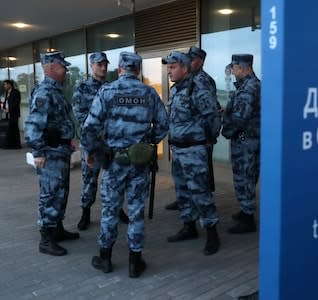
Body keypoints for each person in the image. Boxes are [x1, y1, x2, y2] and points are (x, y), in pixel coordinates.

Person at [82, 52, 168, 278]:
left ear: (120, 69)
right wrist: (148, 143)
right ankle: (134, 263)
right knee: (136, 212)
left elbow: (89, 127)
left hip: (114, 162)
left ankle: (105, 259)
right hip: (139, 164)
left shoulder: (107, 91)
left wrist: (93, 152)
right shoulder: (148, 93)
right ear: (137, 70)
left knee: (110, 210)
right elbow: (163, 124)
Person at [163, 51, 221, 255]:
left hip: (194, 150)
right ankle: (189, 227)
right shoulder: (176, 90)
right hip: (178, 149)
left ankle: (212, 232)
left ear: (185, 68)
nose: (169, 71)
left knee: (200, 192)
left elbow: (213, 117)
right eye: (168, 67)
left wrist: (207, 140)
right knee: (182, 192)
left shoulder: (198, 89)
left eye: (173, 67)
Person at [24, 51, 80, 257]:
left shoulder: (55, 91)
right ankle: (46, 238)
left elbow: (59, 121)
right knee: (50, 194)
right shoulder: (44, 93)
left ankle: (57, 229)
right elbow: (32, 126)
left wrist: (68, 140)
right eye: (62, 66)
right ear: (50, 68)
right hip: (49, 153)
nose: (65, 69)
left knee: (61, 192)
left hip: (60, 150)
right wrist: (38, 151)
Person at [73, 52, 129, 231]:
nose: (103, 68)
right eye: (99, 64)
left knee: (115, 179)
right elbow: (80, 115)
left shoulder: (112, 87)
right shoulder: (82, 88)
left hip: (111, 144)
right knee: (89, 179)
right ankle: (86, 213)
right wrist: (101, 128)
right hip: (92, 143)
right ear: (92, 66)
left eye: (105, 64)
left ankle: (118, 209)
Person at [222, 54, 260, 234]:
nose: (232, 71)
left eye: (234, 68)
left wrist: (227, 131)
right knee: (247, 177)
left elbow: (240, 117)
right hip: (249, 139)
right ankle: (245, 210)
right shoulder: (251, 85)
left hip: (245, 141)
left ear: (242, 68)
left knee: (245, 178)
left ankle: (247, 219)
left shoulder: (249, 88)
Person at [2, 80, 21, 148]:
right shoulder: (7, 92)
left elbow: (16, 103)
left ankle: (17, 144)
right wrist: (4, 107)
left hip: (14, 113)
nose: (4, 86)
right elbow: (6, 101)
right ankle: (11, 143)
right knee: (10, 129)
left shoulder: (16, 92)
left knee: (15, 128)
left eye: (5, 84)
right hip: (8, 113)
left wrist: (9, 109)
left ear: (10, 85)